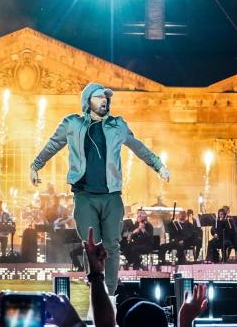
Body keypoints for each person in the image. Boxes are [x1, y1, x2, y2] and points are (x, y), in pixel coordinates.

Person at [31, 82, 170, 294]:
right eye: (98, 97)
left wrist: (158, 165)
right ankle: (95, 288)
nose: (103, 100)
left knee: (113, 245)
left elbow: (138, 146)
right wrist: (36, 165)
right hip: (85, 195)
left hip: (111, 196)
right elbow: (52, 144)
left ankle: (111, 294)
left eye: (105, 97)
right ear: (87, 101)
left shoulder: (117, 125)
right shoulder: (72, 123)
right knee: (91, 244)